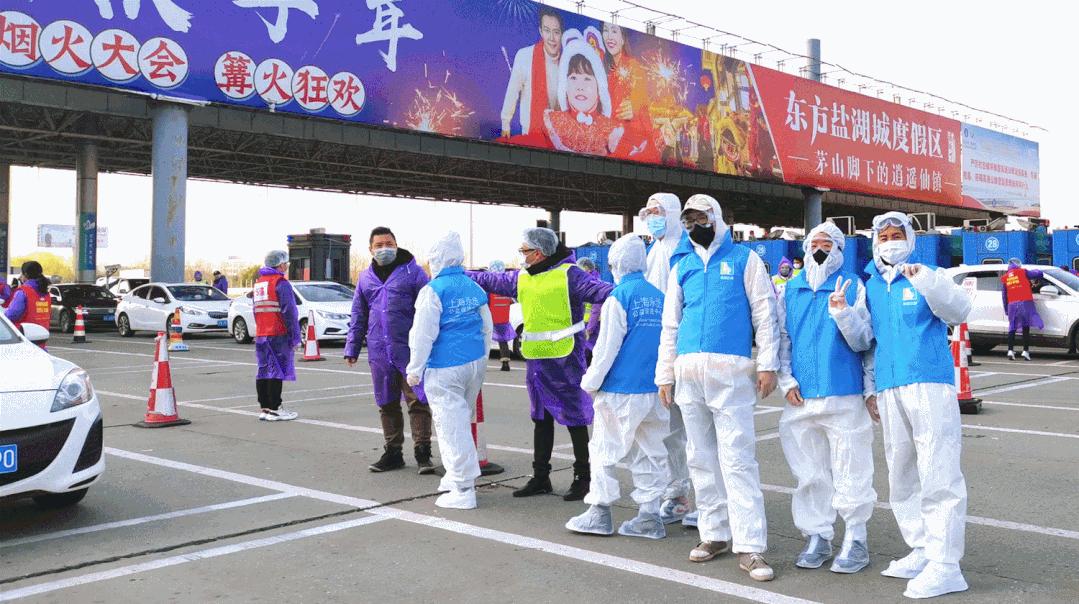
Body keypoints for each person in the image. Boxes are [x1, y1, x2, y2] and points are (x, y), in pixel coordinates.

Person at [655, 194, 779, 582]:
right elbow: (671, 324)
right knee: (700, 457)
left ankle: (751, 545)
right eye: (689, 220)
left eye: (701, 218)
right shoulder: (683, 265)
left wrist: (768, 363)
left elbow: (764, 312)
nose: (695, 226)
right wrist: (665, 374)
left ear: (717, 218)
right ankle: (714, 533)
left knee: (737, 457)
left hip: (732, 371)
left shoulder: (745, 259)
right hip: (689, 371)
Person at [865, 211, 971, 599]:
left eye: (897, 235)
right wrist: (870, 388)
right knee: (902, 473)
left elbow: (959, 310)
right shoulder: (872, 285)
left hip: (928, 381)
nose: (890, 241)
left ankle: (946, 565)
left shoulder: (930, 274)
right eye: (884, 237)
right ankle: (923, 547)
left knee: (938, 469)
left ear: (910, 239)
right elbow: (869, 341)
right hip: (890, 385)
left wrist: (926, 281)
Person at [469, 227, 612, 501]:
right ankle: (540, 477)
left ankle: (583, 478)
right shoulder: (523, 277)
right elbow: (491, 279)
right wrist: (459, 273)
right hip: (536, 361)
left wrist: (629, 290)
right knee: (541, 419)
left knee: (575, 418)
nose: (522, 255)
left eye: (525, 251)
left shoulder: (570, 275)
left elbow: (602, 292)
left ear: (539, 252)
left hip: (566, 359)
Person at [776, 222, 877, 574]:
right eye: (814, 243)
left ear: (839, 250)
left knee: (852, 468)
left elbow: (865, 342)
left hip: (843, 391)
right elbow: (782, 339)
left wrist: (843, 312)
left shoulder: (852, 285)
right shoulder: (791, 289)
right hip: (802, 396)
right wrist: (785, 379)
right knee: (809, 472)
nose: (820, 249)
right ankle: (817, 534)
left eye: (827, 244)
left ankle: (856, 537)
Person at [566, 234, 669, 539]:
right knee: (650, 452)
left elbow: (606, 348)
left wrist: (590, 382)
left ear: (616, 263)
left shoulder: (618, 297)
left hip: (620, 390)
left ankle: (599, 512)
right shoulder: (660, 297)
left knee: (603, 450)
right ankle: (650, 515)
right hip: (654, 389)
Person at [406, 232, 492, 510]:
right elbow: (486, 327)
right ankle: (455, 477)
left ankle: (463, 488)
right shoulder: (473, 286)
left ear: (436, 259)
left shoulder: (433, 290)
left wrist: (415, 368)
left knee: (450, 427)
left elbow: (422, 334)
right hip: (474, 362)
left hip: (445, 366)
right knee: (461, 420)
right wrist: (482, 358)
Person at [345, 227, 434, 474]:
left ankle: (423, 452)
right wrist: (352, 346)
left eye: (389, 243)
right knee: (387, 402)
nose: (384, 248)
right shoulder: (365, 278)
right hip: (379, 350)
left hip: (410, 350)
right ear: (370, 249)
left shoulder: (414, 273)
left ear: (396, 244)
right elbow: (358, 313)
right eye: (379, 245)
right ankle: (393, 452)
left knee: (417, 400)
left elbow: (429, 310)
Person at [639, 193, 698, 527]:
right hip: (661, 349)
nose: (652, 218)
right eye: (648, 212)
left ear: (674, 213)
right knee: (671, 427)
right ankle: (678, 494)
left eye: (658, 212)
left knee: (697, 426)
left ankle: (707, 500)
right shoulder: (654, 250)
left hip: (685, 346)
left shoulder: (686, 250)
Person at [253, 251, 301, 421]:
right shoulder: (281, 283)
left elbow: (256, 310)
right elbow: (290, 312)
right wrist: (295, 337)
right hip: (277, 332)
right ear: (281, 265)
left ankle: (265, 407)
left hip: (262, 333)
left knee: (263, 369)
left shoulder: (259, 283)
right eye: (286, 264)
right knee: (276, 370)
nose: (287, 267)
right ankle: (275, 408)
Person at [501, 7, 563, 138]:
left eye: (556, 32)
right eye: (547, 31)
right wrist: (505, 123)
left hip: (560, 138)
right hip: (530, 135)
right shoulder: (525, 56)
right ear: (541, 31)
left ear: (562, 33)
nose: (551, 38)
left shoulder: (568, 61)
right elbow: (513, 91)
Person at [1001, 258, 1043, 361]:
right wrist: (1037, 270)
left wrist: (1006, 309)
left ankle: (1010, 350)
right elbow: (1039, 274)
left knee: (1012, 327)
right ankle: (1025, 351)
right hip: (1025, 302)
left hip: (1012, 304)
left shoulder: (1005, 277)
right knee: (1025, 326)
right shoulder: (1023, 272)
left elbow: (1004, 296)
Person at [5, 261, 51, 349]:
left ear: (25, 274)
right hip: (41, 338)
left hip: (23, 337)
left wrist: (4, 314)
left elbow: (12, 315)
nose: (20, 277)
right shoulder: (46, 293)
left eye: (21, 273)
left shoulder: (23, 292)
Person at [487, 260, 516, 372]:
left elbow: (486, 300)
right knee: (503, 340)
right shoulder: (506, 286)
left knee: (485, 339)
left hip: (491, 316)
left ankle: (483, 363)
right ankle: (505, 363)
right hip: (503, 317)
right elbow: (511, 300)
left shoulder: (489, 285)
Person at [577, 256, 603, 361]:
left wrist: (589, 329)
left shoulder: (594, 284)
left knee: (590, 354)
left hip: (593, 326)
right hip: (586, 324)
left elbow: (596, 309)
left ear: (587, 268)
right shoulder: (587, 282)